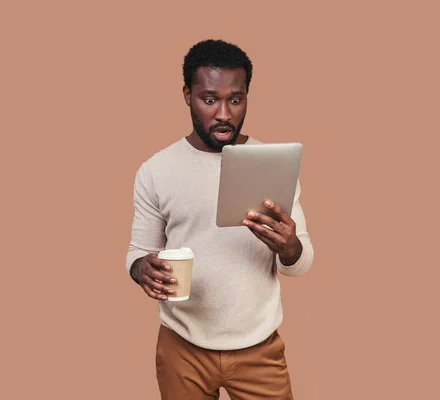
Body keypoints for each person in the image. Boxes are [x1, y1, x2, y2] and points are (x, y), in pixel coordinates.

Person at [126, 39, 314, 400]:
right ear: (187, 95)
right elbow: (138, 252)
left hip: (259, 347)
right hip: (182, 347)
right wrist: (141, 268)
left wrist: (289, 246)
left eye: (236, 99)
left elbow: (299, 264)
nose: (224, 113)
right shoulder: (157, 170)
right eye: (210, 99)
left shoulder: (273, 166)